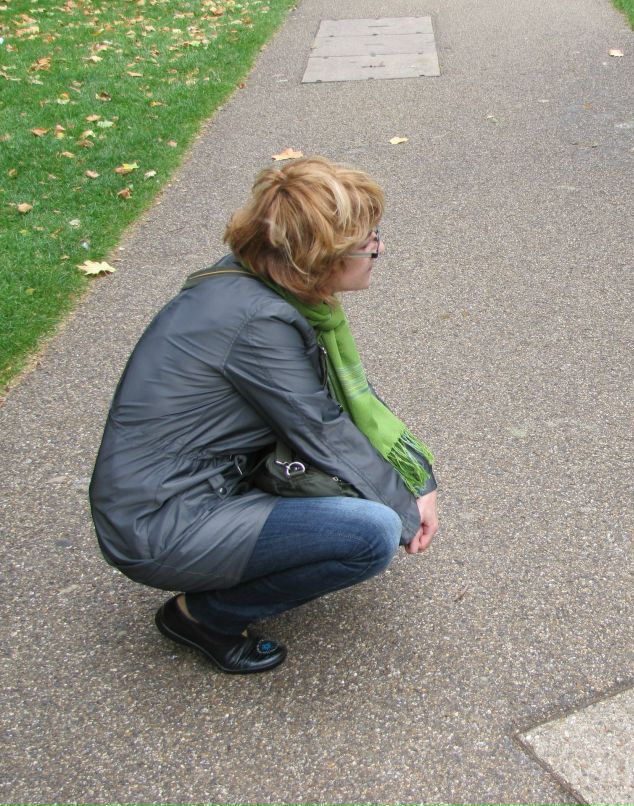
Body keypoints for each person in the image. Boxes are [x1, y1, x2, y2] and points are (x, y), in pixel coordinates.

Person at [89, 157, 438, 674]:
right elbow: (321, 427)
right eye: (369, 242)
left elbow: (326, 408)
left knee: (358, 498)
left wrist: (414, 475)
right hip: (160, 523)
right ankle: (201, 617)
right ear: (320, 258)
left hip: (182, 487)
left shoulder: (251, 282)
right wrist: (409, 506)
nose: (379, 249)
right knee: (372, 533)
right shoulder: (258, 322)